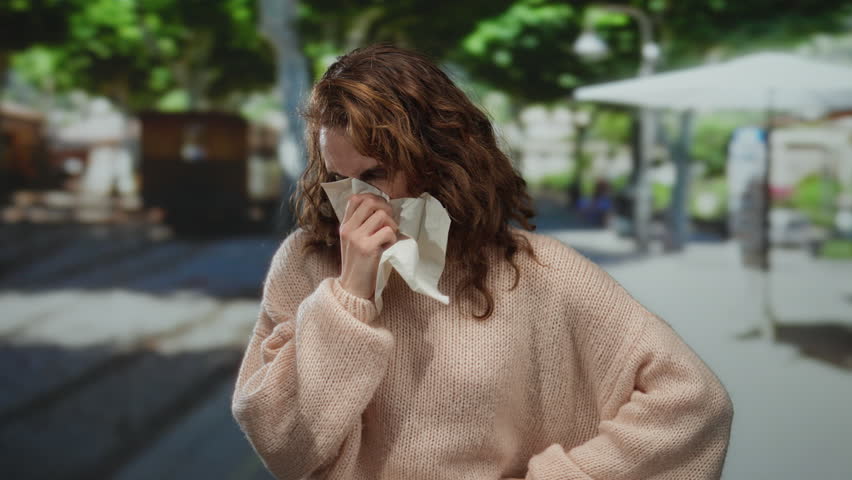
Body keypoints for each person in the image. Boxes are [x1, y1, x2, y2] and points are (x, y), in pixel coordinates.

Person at [231, 43, 733, 480]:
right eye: (339, 176)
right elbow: (284, 448)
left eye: (377, 172)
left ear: (436, 156)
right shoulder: (305, 261)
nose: (356, 199)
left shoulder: (535, 270)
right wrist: (348, 295)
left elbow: (693, 403)